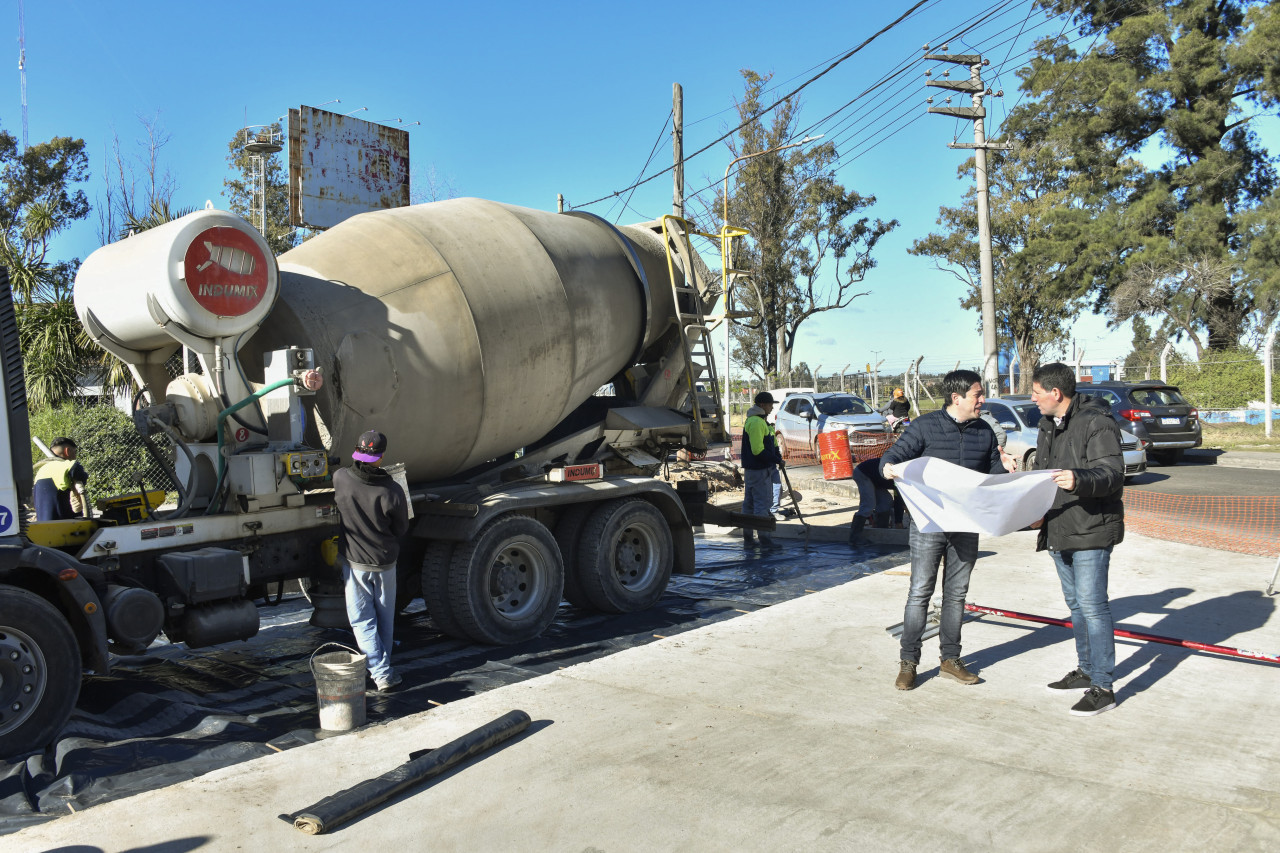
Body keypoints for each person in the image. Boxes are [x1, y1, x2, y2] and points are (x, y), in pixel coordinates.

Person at [880, 369, 1016, 690]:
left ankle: (950, 660)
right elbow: (894, 455)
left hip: (966, 524)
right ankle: (909, 663)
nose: (982, 400)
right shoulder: (925, 427)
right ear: (957, 398)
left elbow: (992, 475)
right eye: (977, 395)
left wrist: (1006, 468)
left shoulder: (984, 432)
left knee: (956, 594)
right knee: (920, 592)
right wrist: (886, 466)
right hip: (929, 522)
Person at [1031, 362, 1124, 717]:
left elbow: (1112, 473)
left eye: (1037, 393)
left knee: (1093, 606)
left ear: (1056, 393)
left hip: (1090, 528)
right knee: (1076, 605)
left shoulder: (1096, 422)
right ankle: (1086, 670)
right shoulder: (1047, 425)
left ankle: (1103, 687)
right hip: (1059, 526)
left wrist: (1079, 479)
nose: (1034, 399)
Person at [333, 430, 411, 693]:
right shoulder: (393, 490)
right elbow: (401, 529)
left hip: (355, 565)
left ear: (357, 451)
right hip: (385, 563)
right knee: (385, 619)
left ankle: (381, 673)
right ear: (381, 457)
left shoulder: (340, 478)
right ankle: (384, 671)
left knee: (362, 621)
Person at [740, 391, 783, 549]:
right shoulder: (757, 422)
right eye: (770, 405)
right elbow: (758, 450)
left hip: (752, 470)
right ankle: (765, 540)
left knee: (749, 505)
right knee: (761, 505)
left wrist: (776, 456)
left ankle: (748, 539)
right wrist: (777, 460)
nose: (772, 408)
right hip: (759, 470)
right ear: (762, 405)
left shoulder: (755, 420)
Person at [848, 456, 905, 545]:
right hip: (864, 473)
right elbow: (899, 501)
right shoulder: (902, 477)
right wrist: (898, 522)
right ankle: (854, 538)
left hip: (876, 480)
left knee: (886, 502)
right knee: (868, 505)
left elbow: (898, 500)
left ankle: (881, 530)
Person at [33, 437, 90, 521]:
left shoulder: (41, 470)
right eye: (74, 452)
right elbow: (80, 474)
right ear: (68, 451)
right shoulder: (66, 465)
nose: (75, 456)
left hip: (43, 525)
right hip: (64, 526)